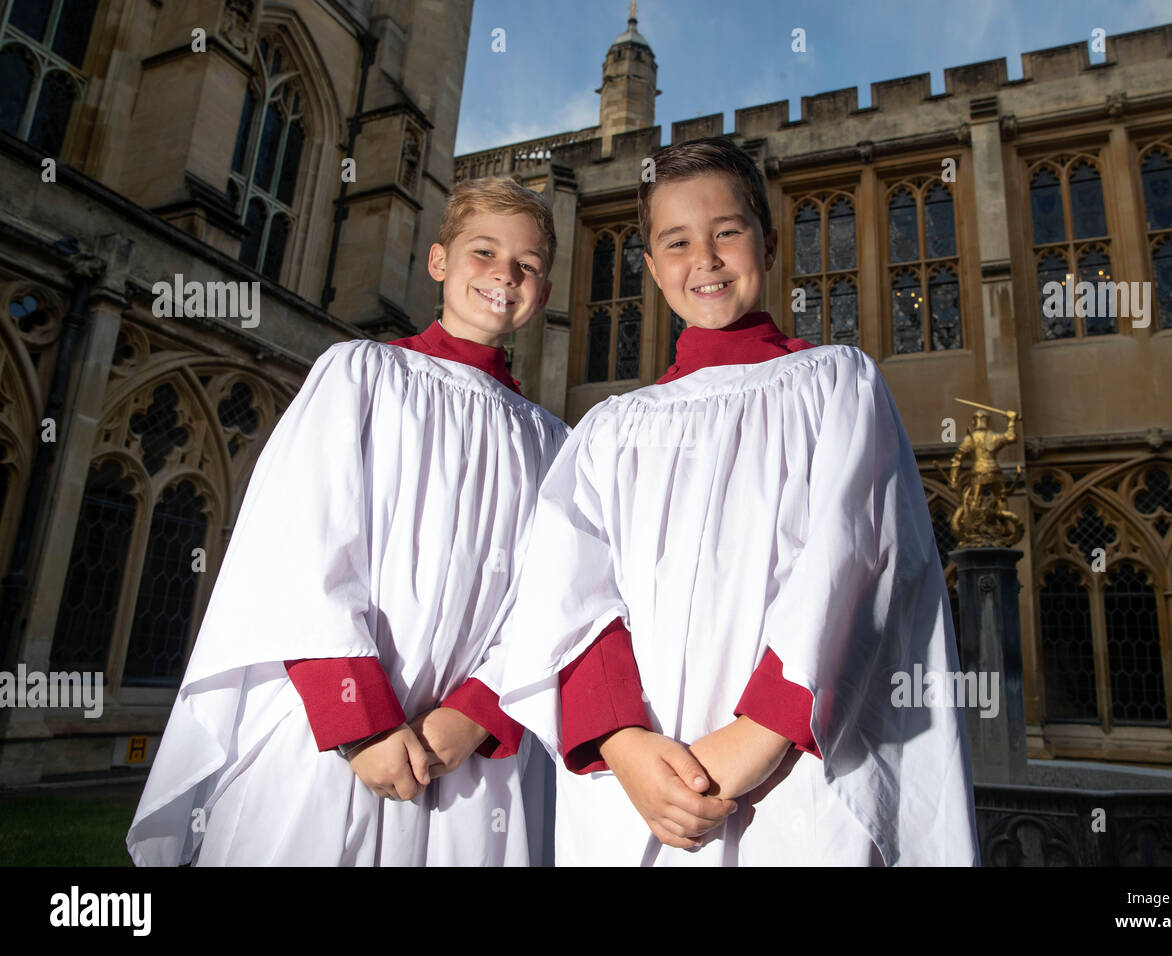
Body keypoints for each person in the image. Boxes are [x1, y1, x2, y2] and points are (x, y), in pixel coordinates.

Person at [497, 138, 980, 866]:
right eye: (678, 242)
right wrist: (624, 744)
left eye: (727, 231)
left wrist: (755, 739)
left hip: (792, 778)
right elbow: (566, 596)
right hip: (637, 790)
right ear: (653, 269)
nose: (707, 260)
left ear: (768, 241)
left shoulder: (835, 384)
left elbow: (856, 563)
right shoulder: (609, 430)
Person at [127, 178, 569, 866]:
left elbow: (554, 598)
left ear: (543, 289)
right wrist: (358, 722)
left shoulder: (552, 441)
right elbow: (299, 545)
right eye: (484, 252)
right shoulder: (361, 374)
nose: (505, 276)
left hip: (471, 762)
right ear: (439, 261)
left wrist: (476, 715)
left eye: (529, 266)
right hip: (329, 739)